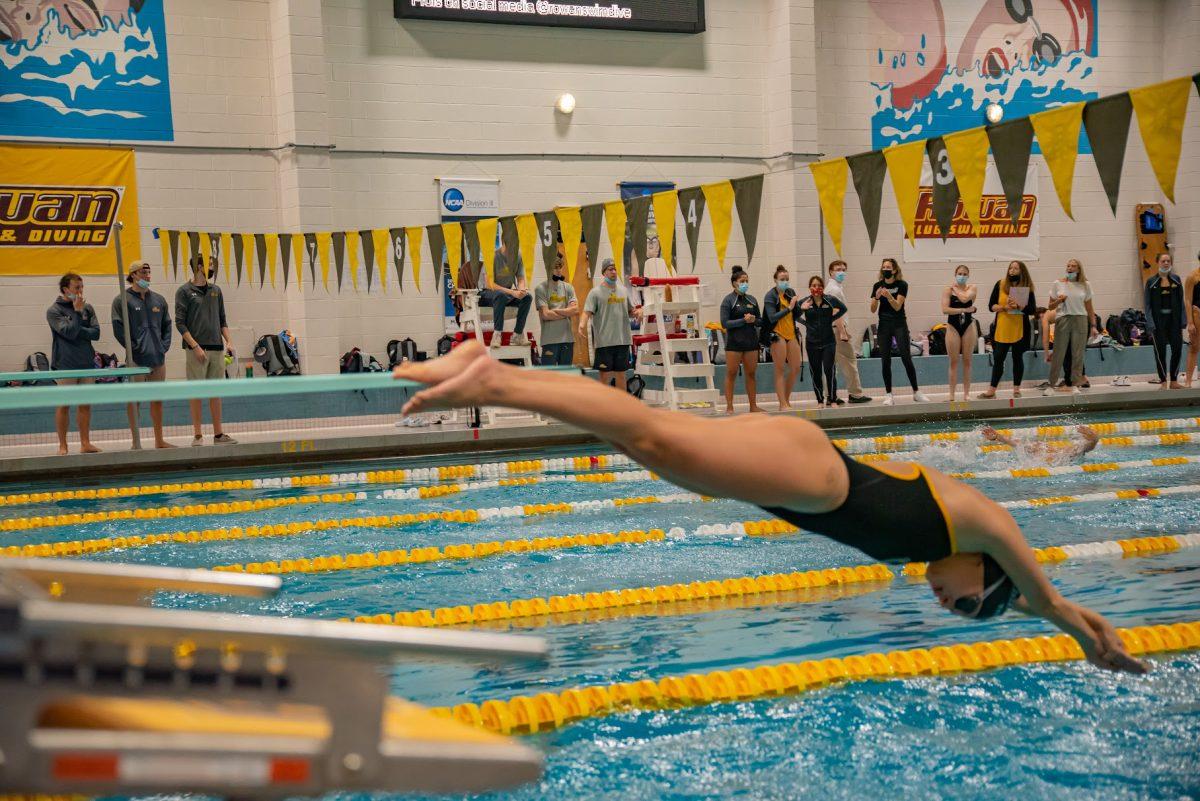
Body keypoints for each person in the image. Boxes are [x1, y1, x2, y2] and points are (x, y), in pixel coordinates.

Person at [394, 341, 1147, 675]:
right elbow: (1043, 594)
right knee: (654, 433)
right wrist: (1089, 636)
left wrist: (1060, 622)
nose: (945, 603)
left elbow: (1021, 600)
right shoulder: (982, 523)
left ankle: (492, 373)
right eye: (963, 603)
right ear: (986, 571)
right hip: (814, 475)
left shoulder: (947, 544)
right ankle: (492, 379)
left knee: (649, 446)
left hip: (798, 479)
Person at [112, 261, 174, 449]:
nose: (148, 275)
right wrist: (133, 349)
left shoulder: (159, 300)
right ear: (133, 275)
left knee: (157, 401)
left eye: (149, 272)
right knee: (134, 401)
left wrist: (163, 347)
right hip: (136, 360)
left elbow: (167, 325)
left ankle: (159, 440)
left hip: (157, 359)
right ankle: (136, 441)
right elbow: (118, 328)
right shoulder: (122, 300)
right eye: (143, 272)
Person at [176, 254, 236, 446]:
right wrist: (195, 346)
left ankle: (218, 434)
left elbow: (222, 319)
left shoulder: (215, 290)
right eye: (210, 264)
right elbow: (180, 323)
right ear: (199, 267)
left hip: (216, 348)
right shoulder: (184, 291)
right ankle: (198, 435)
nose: (212, 268)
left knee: (215, 392)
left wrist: (229, 341)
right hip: (196, 350)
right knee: (196, 392)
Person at [46, 272, 101, 455]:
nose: (80, 291)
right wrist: (77, 315)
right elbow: (67, 333)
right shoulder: (54, 311)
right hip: (65, 364)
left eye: (82, 287)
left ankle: (85, 443)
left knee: (85, 404)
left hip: (86, 363)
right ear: (65, 289)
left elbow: (96, 333)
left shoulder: (88, 308)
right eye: (77, 288)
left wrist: (77, 327)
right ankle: (63, 445)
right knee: (64, 405)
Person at [869, 258, 929, 406]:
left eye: (888, 267)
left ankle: (916, 392)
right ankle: (889, 394)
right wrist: (876, 298)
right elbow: (872, 309)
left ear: (894, 270)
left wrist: (888, 296)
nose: (886, 269)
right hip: (884, 325)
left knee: (906, 358)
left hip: (899, 324)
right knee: (885, 360)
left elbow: (897, 306)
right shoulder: (877, 285)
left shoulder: (902, 285)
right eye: (884, 267)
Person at [580, 258, 641, 392]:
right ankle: (604, 405)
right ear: (604, 272)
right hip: (604, 342)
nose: (613, 272)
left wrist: (637, 313)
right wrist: (581, 325)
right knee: (604, 376)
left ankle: (622, 405)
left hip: (622, 340)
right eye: (610, 269)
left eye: (614, 269)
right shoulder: (595, 293)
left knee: (621, 374)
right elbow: (587, 312)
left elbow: (631, 311)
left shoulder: (624, 291)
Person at [979, 260, 1036, 399]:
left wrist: (1019, 306)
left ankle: (1016, 389)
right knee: (998, 358)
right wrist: (1004, 308)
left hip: (1019, 328)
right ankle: (992, 390)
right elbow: (991, 306)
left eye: (1016, 268)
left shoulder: (1026, 287)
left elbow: (1032, 310)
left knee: (1017, 358)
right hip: (1002, 327)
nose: (1012, 270)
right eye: (1010, 268)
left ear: (1022, 271)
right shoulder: (1000, 284)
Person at [1045, 259, 1098, 395]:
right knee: (1059, 353)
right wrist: (1059, 300)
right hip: (1063, 318)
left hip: (1080, 319)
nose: (1070, 268)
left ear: (1079, 269)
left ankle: (1075, 384)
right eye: (1068, 266)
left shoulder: (1085, 285)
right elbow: (1050, 306)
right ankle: (1051, 384)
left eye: (1073, 266)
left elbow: (1089, 307)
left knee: (1078, 354)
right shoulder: (1058, 284)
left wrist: (1093, 325)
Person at [823, 260, 870, 403]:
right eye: (838, 269)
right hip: (837, 329)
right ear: (831, 272)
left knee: (831, 364)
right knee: (849, 361)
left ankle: (831, 396)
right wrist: (843, 331)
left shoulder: (834, 288)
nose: (842, 272)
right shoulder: (834, 290)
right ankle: (855, 394)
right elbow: (835, 311)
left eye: (844, 269)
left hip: (832, 329)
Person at [797, 275, 847, 407]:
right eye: (814, 285)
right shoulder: (805, 301)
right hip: (812, 343)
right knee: (816, 372)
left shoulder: (830, 300)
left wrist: (831, 319)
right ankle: (820, 400)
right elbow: (793, 314)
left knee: (829, 370)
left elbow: (843, 309)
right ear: (810, 288)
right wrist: (804, 318)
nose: (816, 288)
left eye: (819, 285)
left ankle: (832, 399)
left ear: (823, 287)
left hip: (828, 341)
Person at [718, 268, 762, 414]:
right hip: (734, 344)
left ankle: (753, 406)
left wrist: (754, 320)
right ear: (734, 283)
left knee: (751, 374)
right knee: (731, 373)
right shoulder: (728, 300)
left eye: (746, 281)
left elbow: (760, 322)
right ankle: (729, 406)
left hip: (751, 342)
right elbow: (725, 323)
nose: (745, 284)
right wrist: (743, 320)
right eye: (742, 281)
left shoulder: (752, 300)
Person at [762, 265, 804, 410]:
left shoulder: (790, 292)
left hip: (791, 333)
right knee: (780, 369)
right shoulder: (770, 296)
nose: (785, 281)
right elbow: (772, 317)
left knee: (796, 367)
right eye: (782, 279)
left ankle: (786, 399)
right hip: (777, 334)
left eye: (787, 279)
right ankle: (782, 403)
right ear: (775, 280)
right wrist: (789, 308)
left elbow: (796, 314)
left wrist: (801, 307)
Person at [1144, 252, 1185, 390]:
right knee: (1160, 352)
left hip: (1174, 321)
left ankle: (1174, 380)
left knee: (1177, 350)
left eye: (1168, 261)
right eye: (1163, 261)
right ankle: (1163, 381)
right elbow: (1147, 305)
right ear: (1158, 263)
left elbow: (1181, 302)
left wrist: (1183, 321)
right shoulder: (1151, 282)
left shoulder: (1177, 280)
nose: (1166, 263)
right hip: (1158, 322)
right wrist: (1150, 323)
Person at [480, 245, 532, 348]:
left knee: (527, 297)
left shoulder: (518, 255)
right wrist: (512, 292)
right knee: (501, 295)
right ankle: (497, 334)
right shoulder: (492, 256)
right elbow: (489, 284)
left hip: (505, 294)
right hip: (487, 293)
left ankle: (517, 335)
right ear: (505, 242)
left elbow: (520, 278)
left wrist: (521, 289)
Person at [534, 254, 579, 366]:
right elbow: (545, 314)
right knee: (549, 377)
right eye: (555, 267)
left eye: (560, 267)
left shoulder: (568, 287)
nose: (558, 270)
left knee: (567, 377)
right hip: (549, 339)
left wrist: (555, 312)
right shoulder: (541, 288)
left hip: (567, 339)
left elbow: (575, 310)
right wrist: (566, 312)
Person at [941, 264, 977, 402]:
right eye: (959, 273)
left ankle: (966, 394)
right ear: (955, 274)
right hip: (952, 326)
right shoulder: (947, 290)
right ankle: (951, 395)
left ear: (968, 276)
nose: (961, 276)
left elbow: (964, 299)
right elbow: (945, 310)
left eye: (964, 274)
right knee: (953, 361)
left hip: (968, 326)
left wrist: (956, 288)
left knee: (967, 361)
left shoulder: (972, 288)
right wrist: (964, 310)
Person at [980, 425, 1100, 464]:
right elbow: (1015, 444)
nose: (1037, 443)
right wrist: (997, 437)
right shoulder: (1037, 449)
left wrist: (1094, 440)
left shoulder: (1062, 453)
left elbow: (1084, 448)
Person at [1040, 307, 1089, 389]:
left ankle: (1069, 383)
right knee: (1075, 353)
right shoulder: (1056, 311)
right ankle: (1083, 378)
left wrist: (1046, 354)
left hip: (1073, 323)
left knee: (1066, 355)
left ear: (1041, 314)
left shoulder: (1046, 316)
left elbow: (1045, 338)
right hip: (1084, 321)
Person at [1185, 251, 1200, 387]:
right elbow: (1188, 300)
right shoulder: (1193, 276)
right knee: (1194, 347)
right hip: (1197, 315)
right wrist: (1190, 322)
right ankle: (1188, 381)